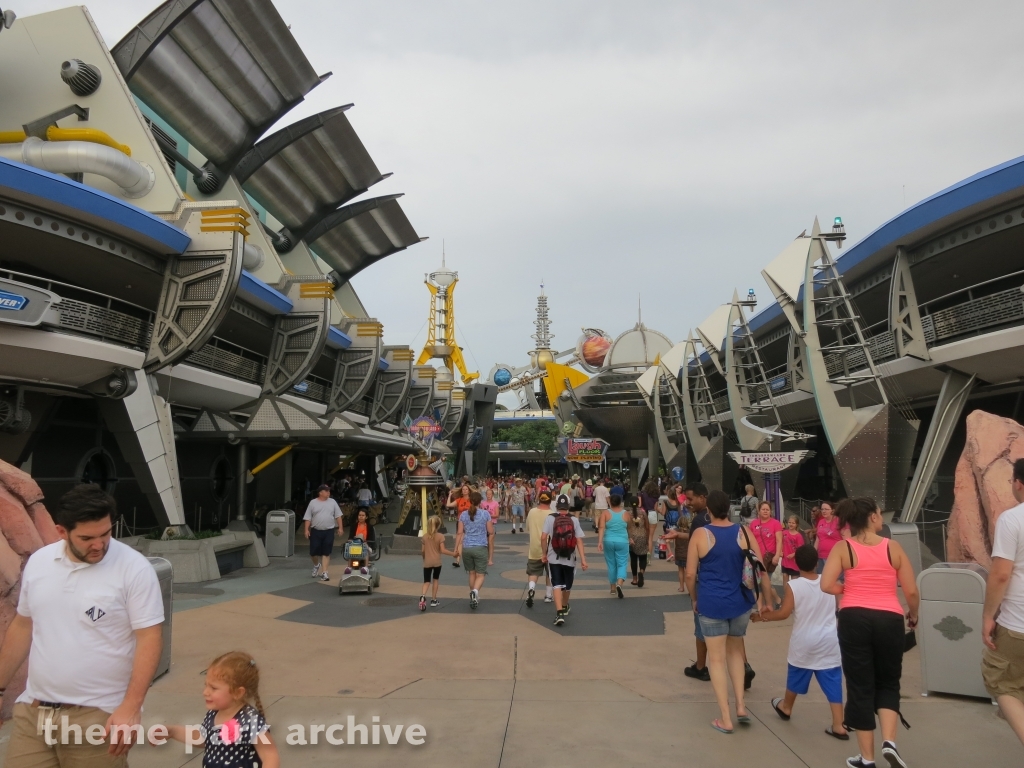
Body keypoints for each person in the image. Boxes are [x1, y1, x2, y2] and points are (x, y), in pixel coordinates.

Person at [0, 484, 164, 767]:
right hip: (34, 714)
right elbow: (23, 627)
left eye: (105, 534)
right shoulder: (39, 563)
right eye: (87, 538)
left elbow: (149, 637)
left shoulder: (134, 569)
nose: (99, 544)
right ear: (61, 531)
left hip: (98, 718)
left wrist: (131, 707)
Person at [821, 497, 919, 768]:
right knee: (888, 682)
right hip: (889, 618)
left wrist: (850, 590)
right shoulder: (893, 547)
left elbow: (827, 585)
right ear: (873, 517)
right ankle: (890, 742)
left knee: (860, 686)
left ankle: (867, 758)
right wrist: (914, 614)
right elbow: (910, 591)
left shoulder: (844, 548)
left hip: (854, 619)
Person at [683, 489, 773, 734]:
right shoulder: (744, 532)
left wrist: (694, 598)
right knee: (735, 653)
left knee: (717, 660)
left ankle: (725, 717)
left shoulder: (701, 534)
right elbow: (761, 566)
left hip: (712, 603)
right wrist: (766, 599)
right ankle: (741, 706)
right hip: (740, 602)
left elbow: (690, 574)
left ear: (709, 510)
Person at [758, 544, 849, 740]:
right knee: (833, 680)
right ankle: (838, 724)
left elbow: (783, 614)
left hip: (804, 641)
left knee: (797, 675)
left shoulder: (794, 585)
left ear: (796, 563)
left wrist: (765, 616)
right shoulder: (828, 582)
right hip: (829, 640)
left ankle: (786, 706)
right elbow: (838, 606)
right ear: (817, 562)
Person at [167, 651, 278, 768]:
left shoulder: (250, 721)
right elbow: (202, 738)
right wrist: (173, 731)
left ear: (238, 692)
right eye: (206, 685)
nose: (205, 692)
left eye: (213, 688)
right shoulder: (213, 714)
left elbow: (270, 755)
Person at [982, 457, 1024, 746]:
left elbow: (1000, 575)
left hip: (1017, 624)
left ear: (1019, 484)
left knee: (1002, 682)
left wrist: (988, 616)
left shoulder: (1013, 518)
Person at [681, 482, 712, 681]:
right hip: (726, 580)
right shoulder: (720, 520)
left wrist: (693, 596)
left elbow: (691, 568)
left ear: (703, 498)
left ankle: (701, 666)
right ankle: (743, 665)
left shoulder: (699, 521)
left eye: (691, 499)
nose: (688, 502)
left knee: (702, 625)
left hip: (705, 579)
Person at [541, 494, 587, 626]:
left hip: (553, 556)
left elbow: (543, 537)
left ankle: (559, 612)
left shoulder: (550, 518)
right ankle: (565, 606)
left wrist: (544, 553)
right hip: (570, 557)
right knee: (567, 585)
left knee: (556, 584)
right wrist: (583, 559)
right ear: (568, 506)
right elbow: (578, 540)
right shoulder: (574, 519)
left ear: (556, 506)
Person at [454, 491, 495, 609]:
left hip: (467, 547)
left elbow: (459, 532)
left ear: (470, 501)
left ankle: (473, 593)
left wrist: (456, 548)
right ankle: (475, 592)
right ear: (480, 501)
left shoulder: (463, 515)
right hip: (480, 546)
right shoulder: (485, 514)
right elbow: (490, 531)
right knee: (480, 574)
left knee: (471, 572)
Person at [304, 484, 343, 582]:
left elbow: (338, 516)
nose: (328, 492)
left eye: (329, 491)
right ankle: (317, 565)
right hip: (316, 530)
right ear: (320, 492)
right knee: (313, 552)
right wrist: (306, 529)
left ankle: (325, 572)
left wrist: (340, 528)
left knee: (326, 552)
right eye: (326, 491)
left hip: (329, 530)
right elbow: (308, 518)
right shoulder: (313, 503)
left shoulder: (333, 502)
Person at [420, 516, 456, 610]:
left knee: (426, 581)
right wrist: (453, 554)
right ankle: (433, 600)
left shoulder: (424, 537)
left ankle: (423, 596)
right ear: (438, 525)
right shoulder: (440, 536)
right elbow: (443, 550)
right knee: (435, 579)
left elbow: (423, 551)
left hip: (427, 561)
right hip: (437, 562)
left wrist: (424, 558)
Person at [525, 491, 555, 606]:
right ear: (550, 501)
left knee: (533, 571)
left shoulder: (532, 512)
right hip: (550, 547)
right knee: (550, 572)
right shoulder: (552, 514)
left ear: (539, 500)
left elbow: (528, 527)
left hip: (534, 547)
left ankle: (531, 589)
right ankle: (548, 595)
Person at [598, 493, 630, 598]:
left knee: (611, 564)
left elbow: (601, 527)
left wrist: (600, 542)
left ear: (610, 502)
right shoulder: (625, 513)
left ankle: (612, 588)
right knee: (622, 563)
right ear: (620, 502)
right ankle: (619, 583)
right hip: (623, 541)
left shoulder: (605, 513)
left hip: (609, 540)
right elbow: (629, 528)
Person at [750, 501, 784, 576]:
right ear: (759, 511)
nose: (765, 511)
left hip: (768, 559)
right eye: (763, 509)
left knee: (766, 582)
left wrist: (777, 555)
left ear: (770, 512)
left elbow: (779, 540)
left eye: (767, 510)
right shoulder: (753, 523)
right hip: (755, 558)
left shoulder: (776, 523)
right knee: (754, 583)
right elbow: (750, 539)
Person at [813, 501, 841, 572]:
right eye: (822, 509)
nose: (824, 511)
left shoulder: (839, 521)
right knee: (820, 578)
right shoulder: (821, 521)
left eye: (826, 509)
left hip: (833, 556)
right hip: (820, 556)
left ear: (833, 510)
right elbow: (818, 539)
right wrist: (813, 553)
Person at [627, 504, 650, 587]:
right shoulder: (643, 513)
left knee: (633, 558)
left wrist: (629, 537)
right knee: (643, 557)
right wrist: (647, 538)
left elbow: (627, 527)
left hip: (632, 537)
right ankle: (641, 571)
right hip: (642, 536)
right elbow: (647, 526)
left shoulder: (628, 514)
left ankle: (634, 579)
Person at [780, 515, 806, 588]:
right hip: (785, 560)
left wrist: (793, 554)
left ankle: (794, 595)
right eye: (789, 522)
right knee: (785, 576)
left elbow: (800, 548)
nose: (791, 524)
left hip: (794, 561)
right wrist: (780, 551)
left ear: (796, 524)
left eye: (793, 523)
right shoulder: (784, 532)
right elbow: (781, 543)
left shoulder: (798, 536)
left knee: (794, 579)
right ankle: (786, 594)